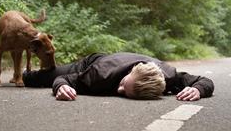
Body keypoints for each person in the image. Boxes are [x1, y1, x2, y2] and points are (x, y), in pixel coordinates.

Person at [22, 52, 214, 101]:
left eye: (124, 93)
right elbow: (65, 80)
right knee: (37, 80)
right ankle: (23, 72)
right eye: (123, 85)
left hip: (125, 61)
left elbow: (205, 81)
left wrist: (197, 89)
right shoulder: (99, 75)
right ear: (129, 73)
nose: (118, 90)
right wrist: (61, 86)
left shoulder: (168, 76)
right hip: (94, 62)